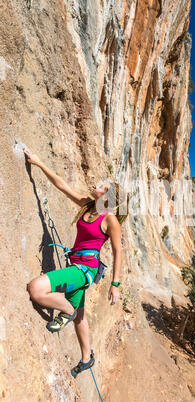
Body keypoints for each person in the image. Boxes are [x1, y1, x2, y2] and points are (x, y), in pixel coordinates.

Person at [24, 149, 128, 377]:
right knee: (80, 316)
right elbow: (62, 186)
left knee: (36, 288)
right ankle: (87, 357)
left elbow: (119, 251)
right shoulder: (88, 206)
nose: (97, 186)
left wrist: (115, 284)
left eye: (102, 187)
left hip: (84, 270)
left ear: (107, 198)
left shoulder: (109, 219)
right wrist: (39, 163)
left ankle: (66, 309)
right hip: (76, 266)